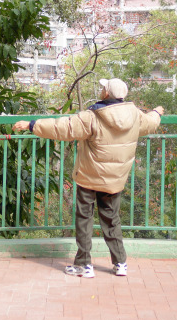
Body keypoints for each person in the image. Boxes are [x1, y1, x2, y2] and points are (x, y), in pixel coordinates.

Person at [12, 78, 164, 278]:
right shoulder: (135, 116)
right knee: (112, 220)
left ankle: (84, 264)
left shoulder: (92, 116)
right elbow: (151, 123)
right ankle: (120, 263)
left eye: (103, 88)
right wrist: (156, 112)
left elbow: (62, 128)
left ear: (107, 94)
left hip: (89, 177)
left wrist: (31, 125)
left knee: (84, 220)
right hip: (114, 180)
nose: (101, 90)